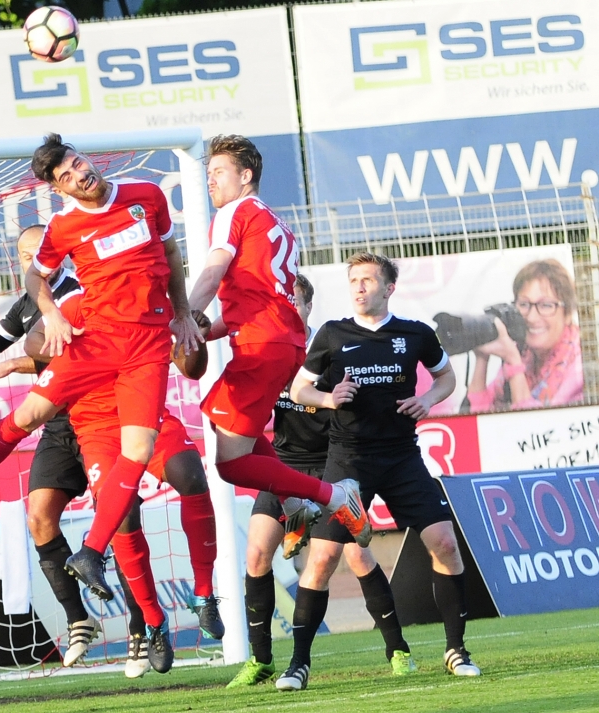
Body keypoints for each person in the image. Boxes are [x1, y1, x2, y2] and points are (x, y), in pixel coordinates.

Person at [0, 133, 202, 616]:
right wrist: (27, 328)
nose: (78, 175)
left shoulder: (134, 212)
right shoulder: (51, 277)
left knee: (140, 489)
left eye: (76, 164)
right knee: (30, 440)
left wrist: (185, 314)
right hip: (78, 404)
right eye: (65, 175)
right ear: (59, 189)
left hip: (123, 384)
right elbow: (21, 339)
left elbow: (170, 260)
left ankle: (150, 616)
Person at [0, 224, 148, 673]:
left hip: (99, 415)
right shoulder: (29, 302)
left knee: (120, 520)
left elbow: (72, 352)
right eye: (24, 256)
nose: (32, 262)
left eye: (38, 253)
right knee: (39, 517)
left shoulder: (79, 291)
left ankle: (141, 629)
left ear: (57, 255)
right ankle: (78, 619)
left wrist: (12, 364)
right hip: (58, 423)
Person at [280, 251, 480, 692]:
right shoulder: (332, 334)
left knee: (445, 544)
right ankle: (298, 664)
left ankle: (456, 650)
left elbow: (446, 378)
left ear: (389, 288)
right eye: (353, 280)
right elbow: (299, 389)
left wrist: (427, 400)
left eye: (368, 280)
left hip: (402, 457)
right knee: (324, 558)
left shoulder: (416, 333)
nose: (359, 287)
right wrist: (330, 399)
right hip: (348, 460)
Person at [227, 274, 417, 689]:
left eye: (293, 302)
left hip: (333, 464)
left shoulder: (332, 349)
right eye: (279, 301)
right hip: (284, 465)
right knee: (256, 554)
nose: (286, 308)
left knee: (355, 558)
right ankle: (261, 660)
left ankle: (398, 649)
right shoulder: (268, 351)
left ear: (308, 307)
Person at [24, 288, 222, 674]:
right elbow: (33, 341)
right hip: (96, 428)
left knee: (192, 475)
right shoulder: (78, 304)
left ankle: (204, 595)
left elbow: (192, 369)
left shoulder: (153, 303)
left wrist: (194, 338)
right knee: (122, 516)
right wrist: (72, 341)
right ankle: (152, 622)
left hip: (148, 415)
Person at [186, 134, 370, 548]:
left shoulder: (234, 212)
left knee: (231, 466)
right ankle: (292, 503)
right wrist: (204, 330)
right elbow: (255, 303)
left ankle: (334, 495)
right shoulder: (274, 221)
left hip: (262, 347)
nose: (210, 180)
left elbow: (213, 273)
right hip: (281, 343)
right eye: (208, 173)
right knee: (219, 417)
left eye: (219, 172)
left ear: (245, 176)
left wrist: (185, 319)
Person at [466, 258, 583, 412]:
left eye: (546, 305)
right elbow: (477, 415)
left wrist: (514, 364)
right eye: (524, 304)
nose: (532, 318)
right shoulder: (523, 352)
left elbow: (534, 424)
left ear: (567, 313)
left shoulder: (579, 367)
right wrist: (482, 358)